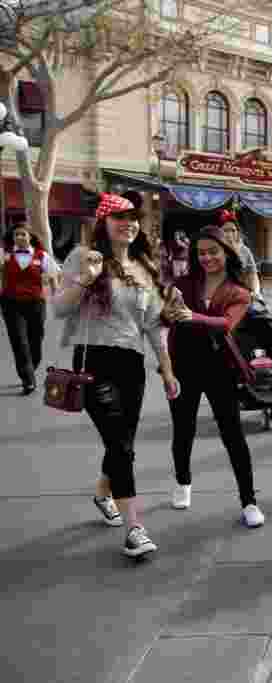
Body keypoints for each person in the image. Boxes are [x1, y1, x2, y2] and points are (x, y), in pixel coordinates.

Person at [53, 193, 179, 559]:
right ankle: (134, 529)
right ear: (103, 223)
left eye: (133, 218)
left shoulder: (144, 268)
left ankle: (102, 493)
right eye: (119, 217)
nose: (128, 223)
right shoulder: (84, 257)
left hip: (131, 367)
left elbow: (155, 327)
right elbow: (60, 309)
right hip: (94, 363)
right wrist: (84, 281)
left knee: (121, 442)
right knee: (121, 445)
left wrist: (167, 370)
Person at [162, 226, 265, 528]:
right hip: (183, 366)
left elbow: (225, 323)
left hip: (220, 369)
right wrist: (168, 312)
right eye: (201, 252)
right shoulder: (183, 283)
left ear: (226, 252)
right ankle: (183, 482)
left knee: (233, 436)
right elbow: (166, 323)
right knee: (183, 430)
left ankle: (249, 501)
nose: (207, 258)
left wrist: (193, 316)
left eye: (213, 251)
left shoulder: (239, 291)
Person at [1, 224, 58, 394]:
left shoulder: (42, 255)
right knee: (19, 341)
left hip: (36, 304)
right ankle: (28, 379)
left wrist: (56, 297)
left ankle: (30, 367)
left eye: (23, 234)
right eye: (16, 234)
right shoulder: (5, 254)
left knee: (36, 340)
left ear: (30, 237)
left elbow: (54, 276)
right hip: (11, 303)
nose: (19, 237)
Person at [219, 209, 260, 296]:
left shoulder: (245, 250)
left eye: (233, 230)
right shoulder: (214, 248)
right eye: (225, 230)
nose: (229, 234)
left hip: (241, 294)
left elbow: (252, 273)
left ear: (238, 233)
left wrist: (255, 292)